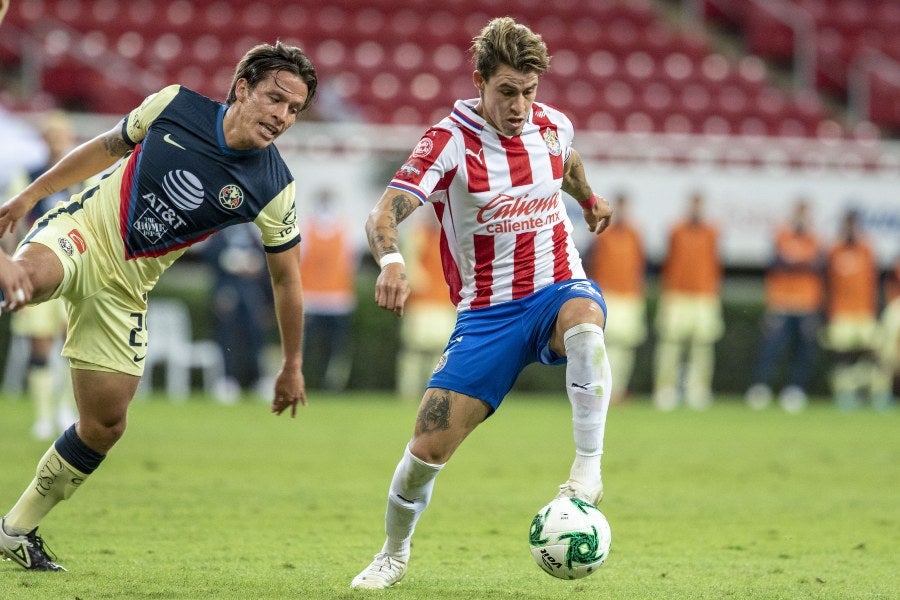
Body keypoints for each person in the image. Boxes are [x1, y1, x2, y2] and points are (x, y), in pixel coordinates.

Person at [0, 41, 316, 571]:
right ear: (242, 89)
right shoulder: (176, 105)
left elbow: (286, 279)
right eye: (275, 98)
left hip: (126, 290)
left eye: (294, 109)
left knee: (104, 426)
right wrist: (32, 195)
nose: (282, 116)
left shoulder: (273, 185)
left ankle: (15, 529)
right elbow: (106, 147)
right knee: (22, 282)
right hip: (83, 234)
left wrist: (292, 363)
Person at [350, 17, 614, 589]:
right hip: (488, 315)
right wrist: (391, 262)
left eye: (529, 91)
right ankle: (393, 553)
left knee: (585, 322)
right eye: (507, 92)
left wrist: (589, 199)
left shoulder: (552, 126)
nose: (520, 106)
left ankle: (586, 472)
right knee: (425, 451)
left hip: (556, 288)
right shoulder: (449, 141)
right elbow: (384, 212)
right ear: (479, 82)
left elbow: (566, 163)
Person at [4, 112, 82, 439]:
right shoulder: (29, 177)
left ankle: (68, 408)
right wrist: (11, 264)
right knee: (40, 343)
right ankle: (43, 414)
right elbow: (13, 224)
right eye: (52, 136)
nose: (58, 142)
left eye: (62, 135)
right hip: (36, 267)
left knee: (72, 341)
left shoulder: (82, 177)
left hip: (74, 271)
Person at [745, 199, 824, 413]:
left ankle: (795, 389)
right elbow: (776, 263)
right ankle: (760, 387)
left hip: (806, 304)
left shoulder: (814, 239)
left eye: (804, 213)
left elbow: (817, 268)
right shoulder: (782, 235)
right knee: (771, 348)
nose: (801, 218)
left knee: (802, 350)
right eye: (798, 213)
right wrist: (799, 263)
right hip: (781, 302)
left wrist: (794, 262)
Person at [653, 191, 723, 411]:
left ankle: (698, 390)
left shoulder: (712, 231)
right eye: (693, 204)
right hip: (676, 294)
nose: (696, 208)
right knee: (670, 344)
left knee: (702, 346)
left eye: (699, 204)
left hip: (704, 295)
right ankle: (665, 389)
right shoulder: (676, 230)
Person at [584, 191, 646, 404]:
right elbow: (589, 264)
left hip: (628, 297)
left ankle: (618, 389)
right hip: (606, 295)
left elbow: (639, 267)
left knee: (624, 348)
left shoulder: (635, 234)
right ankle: (596, 388)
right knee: (599, 345)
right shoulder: (602, 235)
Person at [201, 221, 272, 402]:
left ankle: (258, 379)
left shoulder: (250, 231)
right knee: (227, 336)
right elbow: (210, 255)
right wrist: (232, 261)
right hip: (228, 289)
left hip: (251, 291)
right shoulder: (219, 231)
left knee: (255, 336)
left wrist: (254, 263)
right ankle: (228, 379)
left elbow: (264, 260)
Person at [820, 210, 880, 410]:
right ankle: (845, 394)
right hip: (841, 312)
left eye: (854, 225)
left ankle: (875, 393)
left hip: (864, 311)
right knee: (842, 355)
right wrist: (825, 312)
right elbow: (826, 282)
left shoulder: (866, 249)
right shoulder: (834, 250)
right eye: (847, 225)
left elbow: (873, 281)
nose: (851, 230)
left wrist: (875, 309)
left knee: (871, 355)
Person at [299, 187, 357, 392]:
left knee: (334, 348)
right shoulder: (305, 229)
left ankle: (330, 385)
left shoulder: (344, 230)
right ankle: (303, 381)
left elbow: (349, 264)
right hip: (311, 299)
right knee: (307, 346)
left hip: (337, 300)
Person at [395, 212, 457, 399]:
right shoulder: (420, 235)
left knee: (439, 352)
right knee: (415, 350)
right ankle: (408, 391)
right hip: (422, 304)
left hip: (443, 303)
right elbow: (411, 267)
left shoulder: (452, 238)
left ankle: (433, 390)